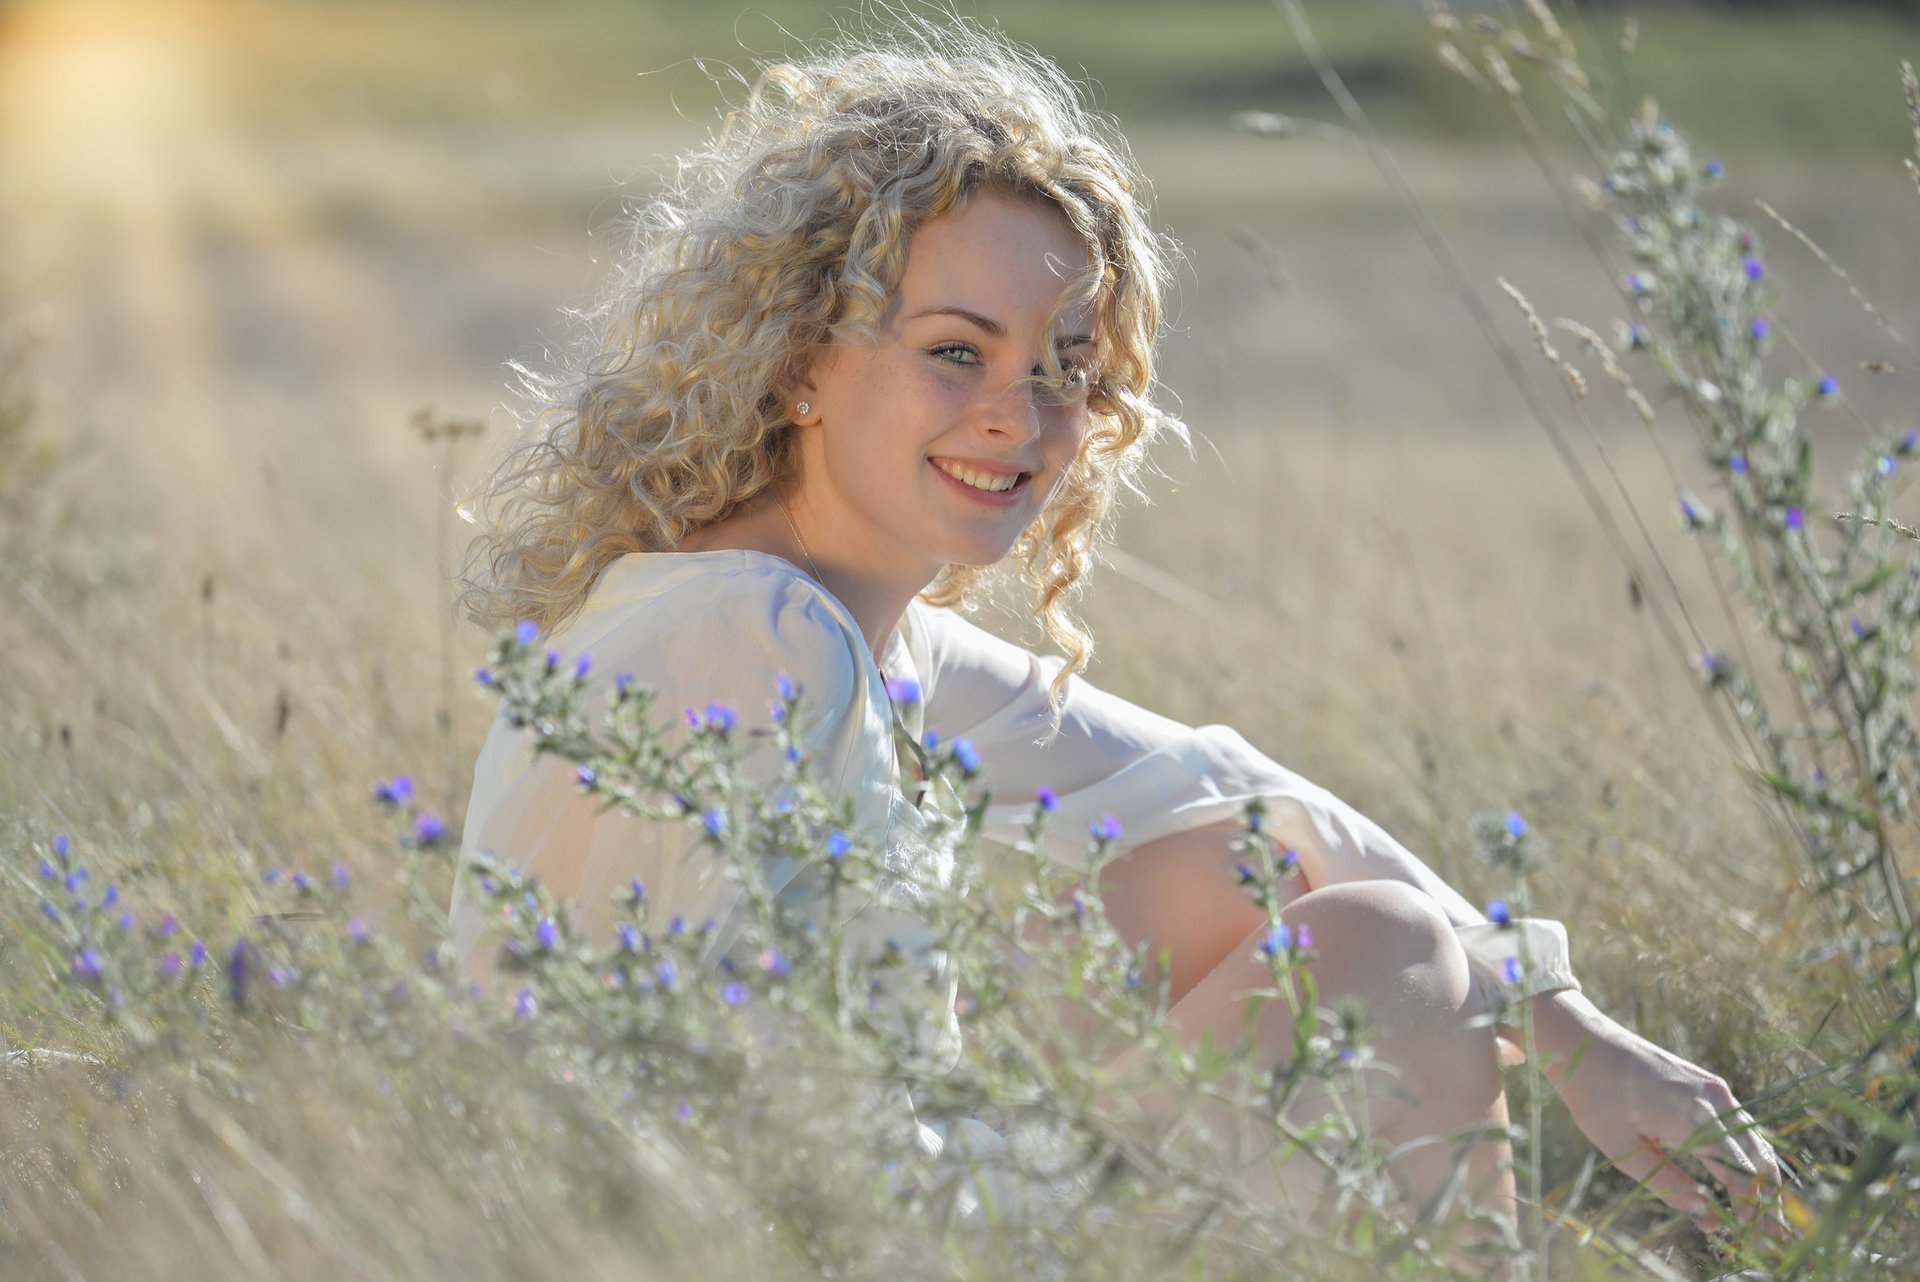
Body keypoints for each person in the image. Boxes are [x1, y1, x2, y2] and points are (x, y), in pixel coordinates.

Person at [452, 22, 1779, 1230]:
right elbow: (727, 1134)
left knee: (1289, 893)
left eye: (1063, 367)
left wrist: (1573, 1024)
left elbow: (1256, 801)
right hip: (783, 1235)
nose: (1018, 418)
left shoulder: (849, 625)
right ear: (802, 359)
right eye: (957, 351)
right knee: (1381, 955)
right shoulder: (751, 630)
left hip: (882, 1194)